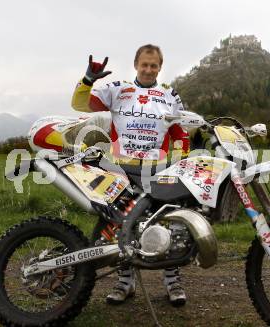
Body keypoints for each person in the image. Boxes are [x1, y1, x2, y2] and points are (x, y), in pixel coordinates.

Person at [70, 44, 189, 306]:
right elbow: (80, 103)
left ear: (160, 67)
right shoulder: (117, 89)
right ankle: (125, 283)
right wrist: (88, 79)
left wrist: (178, 164)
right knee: (122, 226)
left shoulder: (170, 95)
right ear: (136, 64)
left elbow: (181, 134)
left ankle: (173, 283)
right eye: (144, 64)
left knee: (168, 223)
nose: (148, 69)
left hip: (158, 169)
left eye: (154, 65)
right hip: (121, 168)